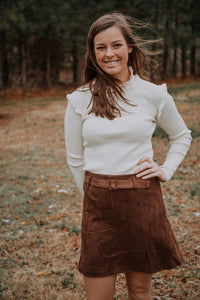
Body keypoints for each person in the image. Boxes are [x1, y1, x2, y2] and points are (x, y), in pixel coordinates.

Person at [64, 12, 192, 300]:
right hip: (98, 205)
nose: (109, 54)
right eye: (101, 47)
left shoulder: (153, 94)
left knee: (139, 292)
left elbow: (181, 135)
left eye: (116, 45)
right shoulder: (80, 99)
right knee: (98, 295)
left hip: (141, 200)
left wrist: (166, 169)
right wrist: (90, 197)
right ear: (92, 52)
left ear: (130, 48)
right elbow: (75, 158)